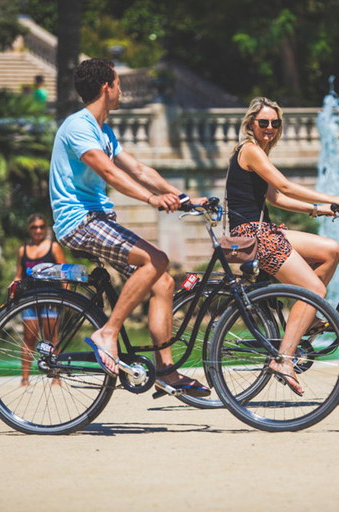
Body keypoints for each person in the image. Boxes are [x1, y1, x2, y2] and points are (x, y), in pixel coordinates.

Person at [49, 58, 209, 396]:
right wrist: (152, 200)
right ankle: (107, 332)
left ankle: (165, 371)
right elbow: (110, 174)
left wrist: (183, 197)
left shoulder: (103, 130)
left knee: (163, 281)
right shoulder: (78, 126)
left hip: (98, 218)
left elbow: (138, 168)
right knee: (157, 260)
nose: (121, 89)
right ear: (106, 86)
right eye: (118, 83)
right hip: (80, 219)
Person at [225, 96, 339, 395]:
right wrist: (332, 197)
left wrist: (321, 210)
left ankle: (306, 321)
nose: (269, 127)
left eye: (275, 123)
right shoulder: (250, 150)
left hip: (263, 228)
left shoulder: (259, 153)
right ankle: (283, 360)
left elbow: (275, 199)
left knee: (330, 250)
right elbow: (285, 186)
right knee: (315, 290)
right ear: (251, 124)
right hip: (253, 233)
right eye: (263, 123)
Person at [13, 213, 65, 386]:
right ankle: (25, 377)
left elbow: (63, 273)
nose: (38, 230)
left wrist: (67, 296)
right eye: (35, 227)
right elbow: (19, 275)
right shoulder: (23, 250)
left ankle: (55, 374)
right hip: (30, 299)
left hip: (51, 297)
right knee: (29, 337)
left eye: (42, 227)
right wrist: (13, 289)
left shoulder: (54, 247)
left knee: (51, 337)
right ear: (29, 229)